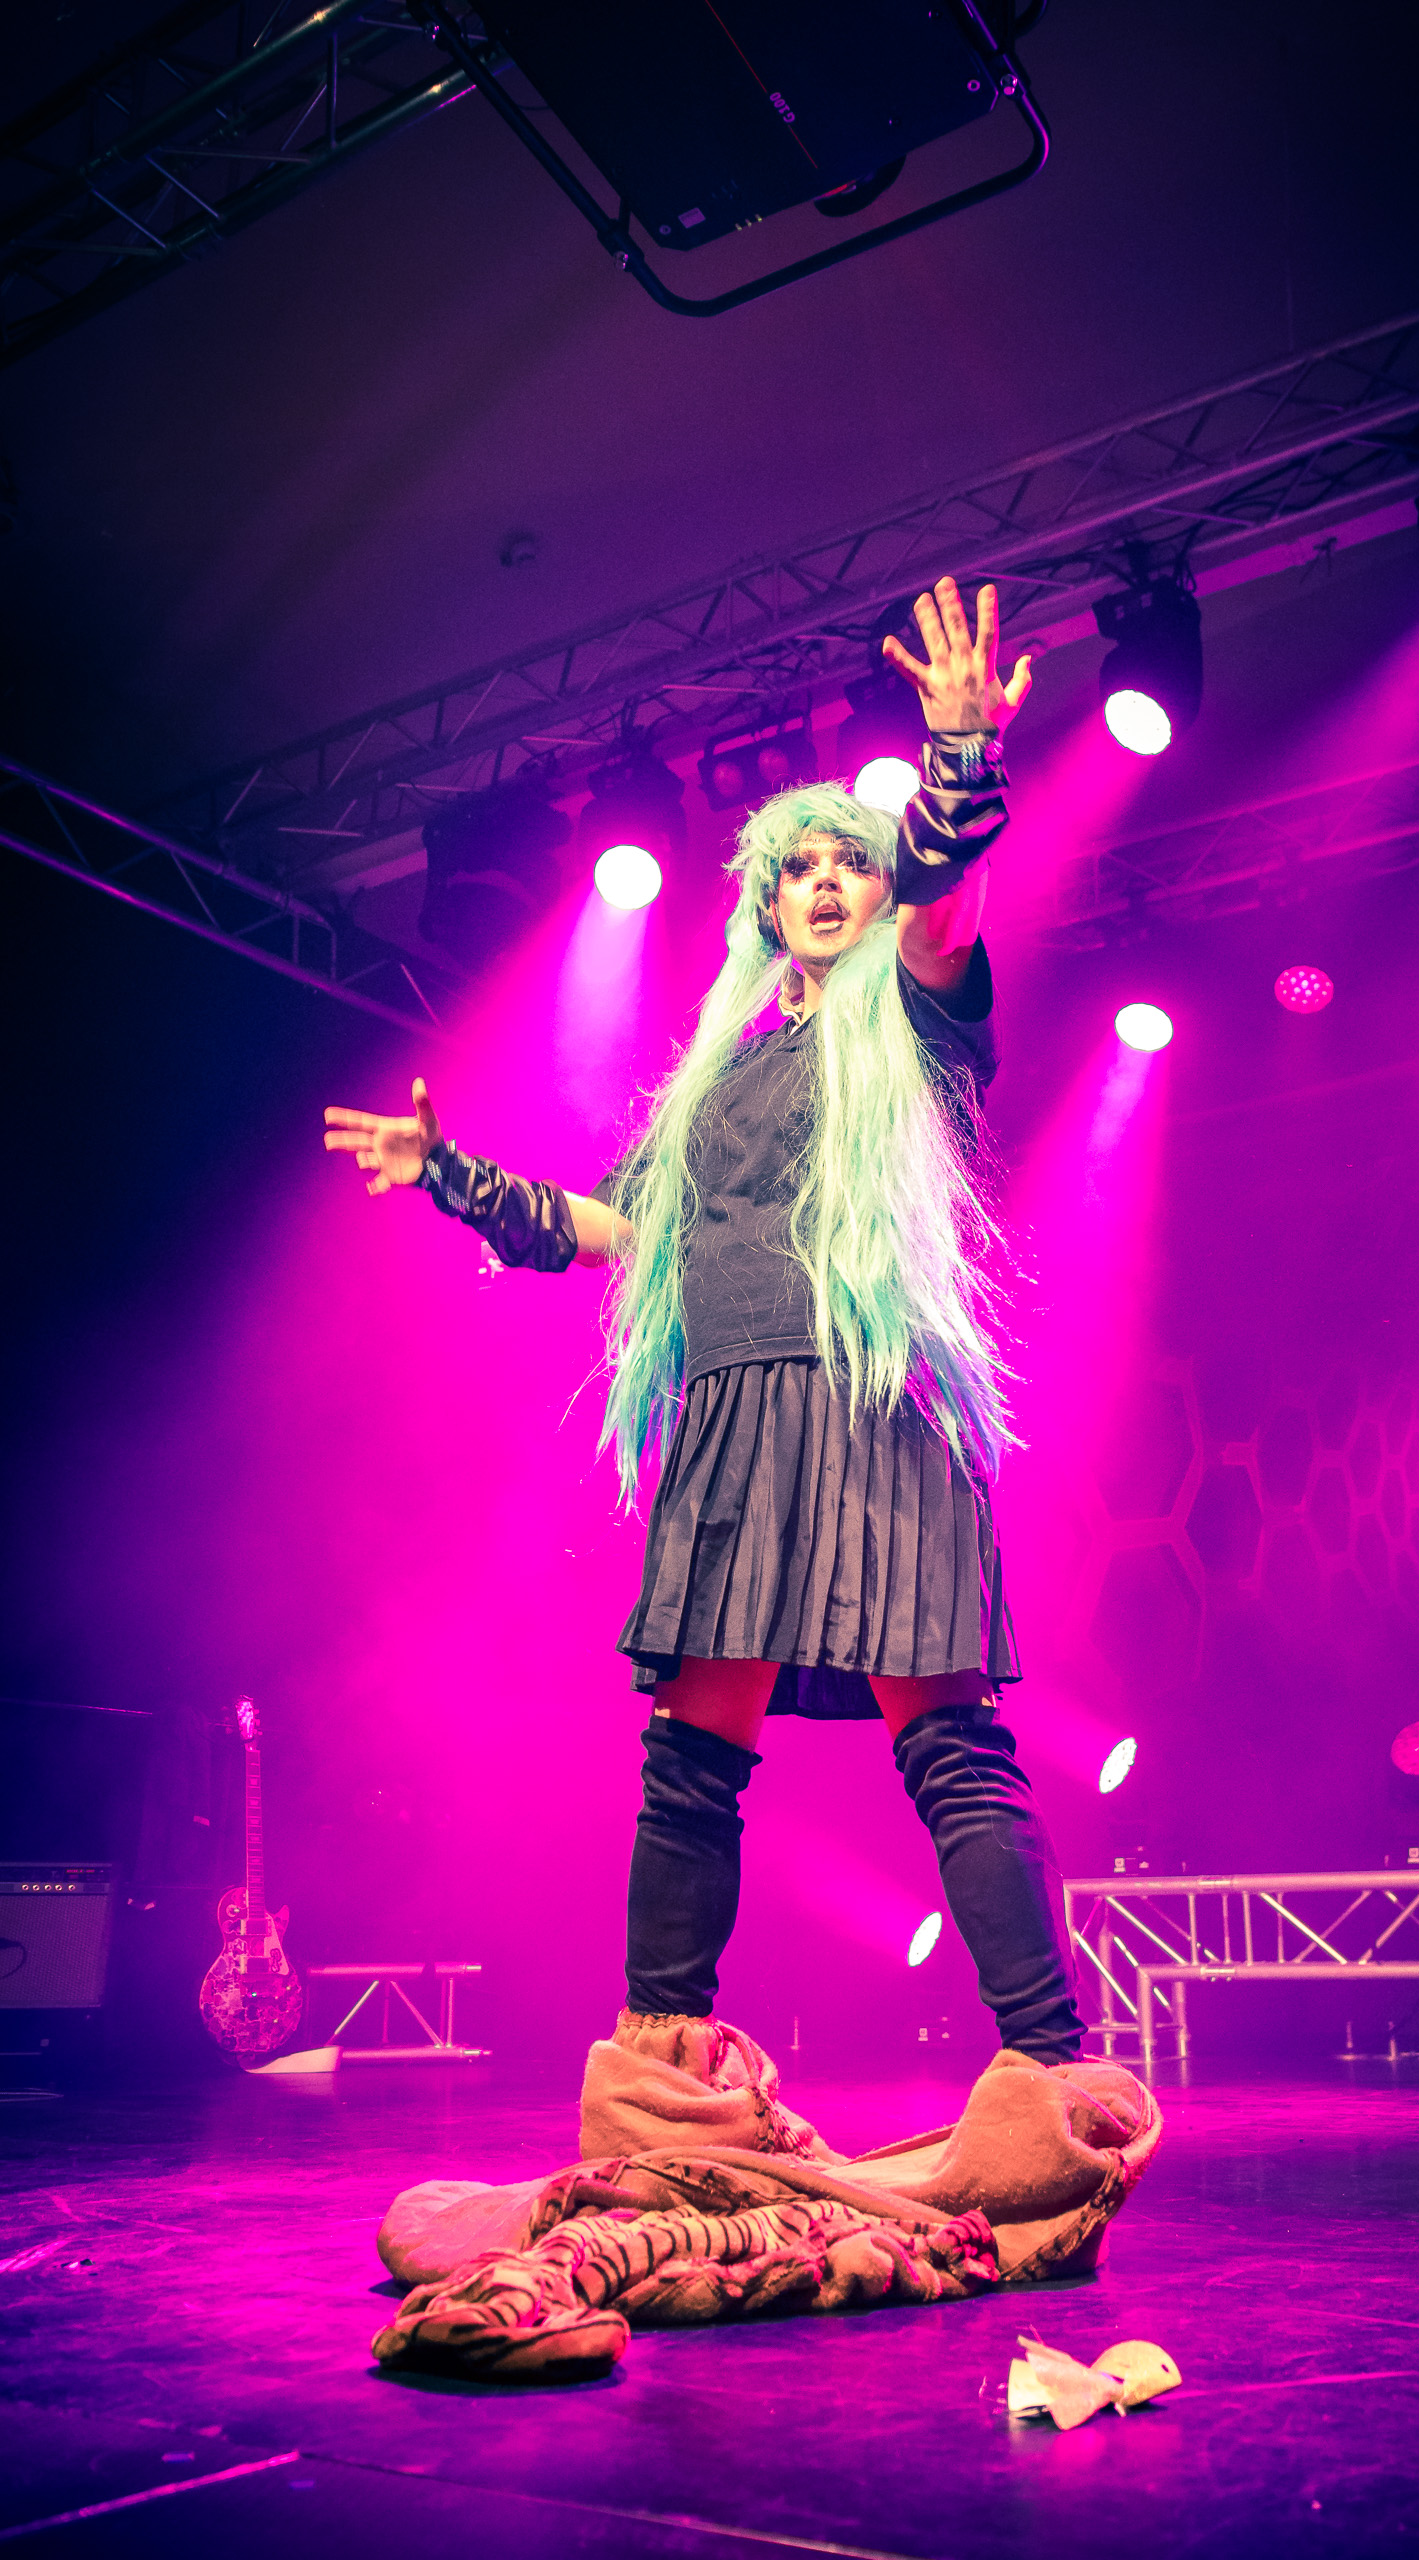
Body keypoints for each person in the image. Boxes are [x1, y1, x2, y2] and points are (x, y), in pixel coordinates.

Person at [324, 576, 1084, 2065]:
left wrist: (957, 751)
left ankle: (1051, 2066)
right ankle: (663, 2057)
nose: (826, 882)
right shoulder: (715, 1078)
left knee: (948, 1746)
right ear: (764, 903)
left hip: (869, 1406)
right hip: (732, 1422)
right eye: (797, 867)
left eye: (850, 864)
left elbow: (950, 895)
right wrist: (452, 1175)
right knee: (688, 1758)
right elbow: (612, 1233)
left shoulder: (919, 1012)